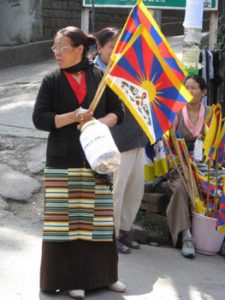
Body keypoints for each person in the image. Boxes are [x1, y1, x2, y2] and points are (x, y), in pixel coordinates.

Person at [32, 26, 126, 299]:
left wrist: (98, 123)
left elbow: (117, 113)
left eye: (61, 48)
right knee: (66, 224)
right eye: (54, 48)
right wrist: (73, 116)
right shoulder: (51, 80)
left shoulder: (100, 76)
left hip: (97, 160)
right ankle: (70, 280)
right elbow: (40, 119)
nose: (56, 53)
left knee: (97, 221)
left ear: (79, 49)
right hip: (62, 161)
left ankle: (105, 277)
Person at [94, 27, 148, 255]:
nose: (116, 52)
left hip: (137, 138)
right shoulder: (96, 73)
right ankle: (110, 234)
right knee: (116, 191)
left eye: (120, 47)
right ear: (99, 47)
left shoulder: (129, 70)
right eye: (111, 47)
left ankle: (124, 230)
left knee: (135, 190)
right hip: (115, 142)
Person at [166, 75, 210, 259]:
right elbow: (167, 142)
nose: (189, 91)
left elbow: (217, 144)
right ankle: (186, 235)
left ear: (204, 92)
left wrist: (206, 141)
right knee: (180, 189)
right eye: (187, 87)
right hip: (180, 166)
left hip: (203, 166)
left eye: (194, 88)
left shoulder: (210, 113)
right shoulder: (176, 112)